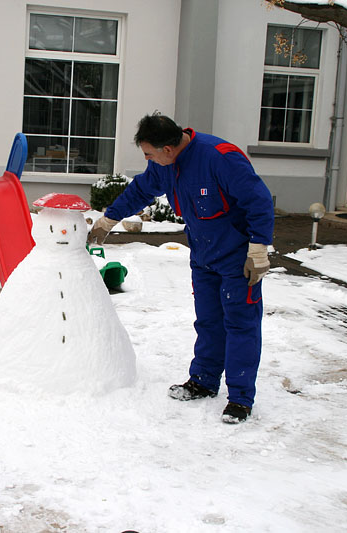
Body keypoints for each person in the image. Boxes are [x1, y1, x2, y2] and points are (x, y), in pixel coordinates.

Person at [88, 112, 274, 423]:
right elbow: (141, 190)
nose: (148, 159)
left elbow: (258, 200)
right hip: (203, 255)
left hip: (237, 256)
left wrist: (258, 248)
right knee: (209, 321)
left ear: (168, 149)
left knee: (241, 324)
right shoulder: (165, 164)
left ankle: (240, 398)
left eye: (149, 154)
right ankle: (203, 380)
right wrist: (109, 218)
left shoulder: (220, 158)